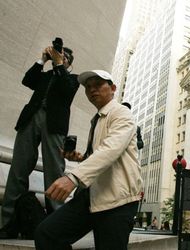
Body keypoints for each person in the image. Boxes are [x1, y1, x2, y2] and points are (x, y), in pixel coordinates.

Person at [34, 70, 142, 250]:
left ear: (113, 88)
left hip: (118, 201)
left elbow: (111, 149)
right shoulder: (98, 119)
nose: (92, 90)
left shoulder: (122, 113)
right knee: (47, 233)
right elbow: (103, 154)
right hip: (90, 196)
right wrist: (82, 158)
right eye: (88, 87)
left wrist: (72, 177)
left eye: (98, 85)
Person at [0, 44, 78, 239]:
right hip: (30, 120)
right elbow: (27, 80)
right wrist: (43, 60)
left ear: (69, 63)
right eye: (58, 54)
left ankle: (55, 225)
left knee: (54, 172)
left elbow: (66, 90)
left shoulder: (72, 79)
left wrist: (60, 65)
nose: (60, 57)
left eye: (64, 56)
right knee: (18, 170)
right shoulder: (44, 76)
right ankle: (7, 223)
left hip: (54, 126)